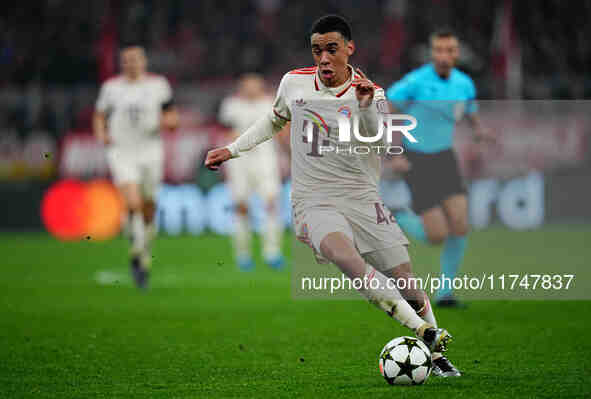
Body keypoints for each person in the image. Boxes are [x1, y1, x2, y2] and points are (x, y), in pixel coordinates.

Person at [205, 15, 460, 377]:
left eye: (331, 49)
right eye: (317, 50)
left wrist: (366, 107)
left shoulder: (373, 94)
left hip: (362, 198)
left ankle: (434, 354)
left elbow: (386, 143)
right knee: (347, 258)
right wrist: (231, 149)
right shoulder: (294, 84)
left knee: (405, 279)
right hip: (313, 200)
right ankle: (425, 332)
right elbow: (274, 120)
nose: (323, 58)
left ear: (349, 49)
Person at [386, 29, 494, 307]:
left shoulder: (464, 84)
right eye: (439, 50)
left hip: (445, 158)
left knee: (460, 224)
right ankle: (397, 217)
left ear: (457, 54)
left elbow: (469, 112)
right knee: (436, 236)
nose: (444, 56)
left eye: (450, 50)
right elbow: (386, 108)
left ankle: (445, 293)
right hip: (417, 160)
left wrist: (480, 131)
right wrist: (392, 151)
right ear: (432, 53)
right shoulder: (416, 81)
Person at [93, 45, 179, 289]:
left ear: (144, 61)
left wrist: (171, 122)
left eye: (135, 59)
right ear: (122, 64)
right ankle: (139, 259)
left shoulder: (158, 85)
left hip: (150, 150)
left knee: (149, 206)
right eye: (127, 60)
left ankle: (141, 247)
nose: (131, 63)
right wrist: (101, 133)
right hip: (122, 150)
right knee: (133, 203)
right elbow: (100, 115)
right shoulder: (111, 88)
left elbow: (171, 114)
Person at [218, 74, 285, 270]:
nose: (251, 89)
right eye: (247, 85)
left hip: (265, 159)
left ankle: (272, 253)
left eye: (255, 85)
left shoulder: (270, 103)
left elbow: (280, 131)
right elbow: (227, 131)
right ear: (241, 87)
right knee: (241, 207)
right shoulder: (231, 105)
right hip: (240, 161)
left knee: (272, 203)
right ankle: (243, 255)